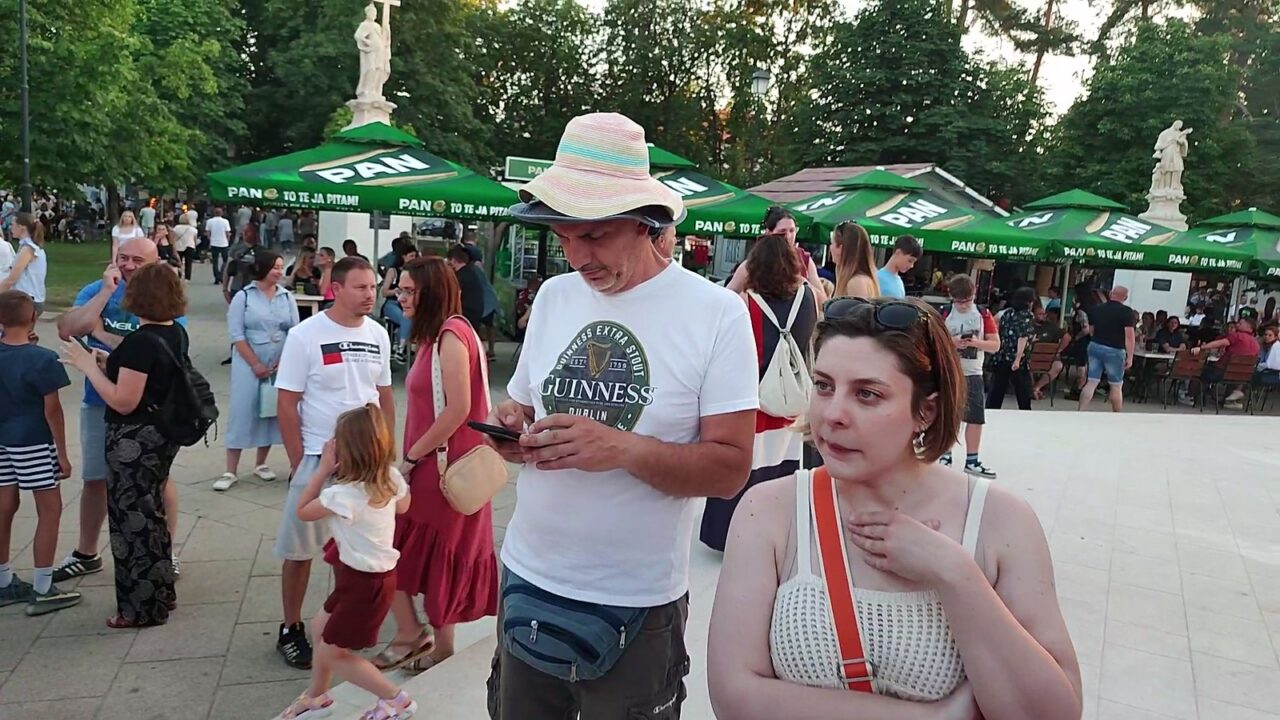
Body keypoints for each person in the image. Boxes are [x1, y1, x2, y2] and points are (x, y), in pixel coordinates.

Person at [485, 112, 758, 719]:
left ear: (644, 222)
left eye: (595, 236)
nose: (577, 257)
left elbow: (730, 470)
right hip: (528, 574)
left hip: (636, 599)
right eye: (563, 237)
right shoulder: (555, 297)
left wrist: (623, 448)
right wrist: (512, 430)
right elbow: (525, 406)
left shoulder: (716, 314)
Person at [706, 296, 1082, 719]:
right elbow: (734, 696)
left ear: (926, 411)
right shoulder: (770, 510)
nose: (833, 414)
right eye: (824, 386)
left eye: (867, 394)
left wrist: (956, 574)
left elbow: (1053, 713)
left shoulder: (1000, 521)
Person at [374, 256, 498, 673]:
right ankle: (428, 639)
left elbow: (458, 408)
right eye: (401, 289)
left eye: (410, 291)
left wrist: (410, 458)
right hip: (444, 467)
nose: (401, 297)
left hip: (440, 470)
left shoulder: (450, 335)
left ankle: (425, 638)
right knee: (427, 553)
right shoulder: (443, 334)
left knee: (395, 547)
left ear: (432, 293)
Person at [273, 256, 393, 669]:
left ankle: (342, 625)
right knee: (299, 548)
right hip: (319, 459)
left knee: (358, 549)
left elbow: (383, 396)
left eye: (373, 287)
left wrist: (387, 451)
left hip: (368, 464)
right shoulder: (305, 336)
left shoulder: (378, 334)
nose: (369, 295)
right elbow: (287, 403)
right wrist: (299, 461)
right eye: (360, 287)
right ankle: (291, 627)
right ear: (336, 289)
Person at [60, 264, 190, 628]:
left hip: (134, 442)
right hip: (160, 437)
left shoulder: (141, 341)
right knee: (152, 518)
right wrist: (110, 361)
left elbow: (122, 400)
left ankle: (138, 608)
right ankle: (162, 594)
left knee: (132, 525)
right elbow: (146, 371)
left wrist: (88, 366)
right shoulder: (174, 332)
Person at [276, 405, 418, 720]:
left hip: (364, 585)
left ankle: (396, 700)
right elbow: (404, 506)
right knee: (320, 628)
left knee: (334, 654)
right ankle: (317, 697)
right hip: (369, 578)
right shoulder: (390, 477)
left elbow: (302, 510)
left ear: (345, 451)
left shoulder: (343, 495)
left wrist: (322, 470)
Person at [701, 233, 816, 552]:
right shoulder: (807, 296)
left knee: (745, 471)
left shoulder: (744, 302)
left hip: (752, 401)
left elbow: (715, 315)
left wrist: (737, 281)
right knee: (783, 471)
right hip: (791, 402)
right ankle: (776, 534)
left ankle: (729, 534)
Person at [0, 291, 80, 616]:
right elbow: (52, 410)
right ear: (33, 317)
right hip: (33, 440)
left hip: (3, 439)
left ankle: (3, 580)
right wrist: (62, 453)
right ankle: (44, 586)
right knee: (50, 509)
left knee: (4, 506)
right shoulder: (43, 359)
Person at [216, 251, 299, 492]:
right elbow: (236, 334)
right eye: (275, 267)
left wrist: (285, 361)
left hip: (279, 359)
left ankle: (261, 462)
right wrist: (254, 363)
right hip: (248, 359)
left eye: (281, 267)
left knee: (272, 409)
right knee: (242, 409)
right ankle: (231, 469)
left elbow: (295, 331)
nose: (279, 272)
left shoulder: (286, 297)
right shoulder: (244, 296)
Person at [941, 274, 999, 478]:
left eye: (968, 300)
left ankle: (972, 459)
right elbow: (932, 341)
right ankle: (945, 455)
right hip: (950, 371)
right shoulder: (945, 313)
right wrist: (952, 342)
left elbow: (995, 345)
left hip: (973, 372)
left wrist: (976, 343)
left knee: (975, 418)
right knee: (949, 415)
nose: (964, 305)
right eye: (960, 302)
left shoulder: (983, 314)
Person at [728, 206, 828, 307]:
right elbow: (728, 294)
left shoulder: (805, 260)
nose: (788, 236)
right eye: (782, 232)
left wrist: (801, 282)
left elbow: (823, 303)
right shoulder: (754, 263)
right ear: (768, 233)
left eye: (792, 231)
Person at [1078, 286, 1136, 412]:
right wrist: (1130, 357)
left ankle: (1081, 411)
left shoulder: (1097, 309)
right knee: (1116, 385)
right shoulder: (1127, 312)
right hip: (1115, 350)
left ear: (1110, 294)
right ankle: (1116, 415)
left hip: (1095, 346)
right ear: (1125, 298)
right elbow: (1129, 337)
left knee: (1091, 382)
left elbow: (1091, 330)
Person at [1193, 315, 1260, 409]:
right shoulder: (1256, 343)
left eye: (1240, 323)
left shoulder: (1237, 336)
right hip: (1242, 376)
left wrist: (1202, 347)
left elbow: (1219, 343)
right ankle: (1228, 400)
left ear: (1249, 326)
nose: (1237, 324)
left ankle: (1192, 396)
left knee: (1199, 370)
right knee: (1230, 373)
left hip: (1221, 372)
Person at [987, 286, 1037, 410]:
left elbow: (996, 324)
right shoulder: (1026, 316)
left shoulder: (1007, 313)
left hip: (1002, 354)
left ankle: (991, 410)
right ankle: (1025, 412)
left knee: (997, 388)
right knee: (1022, 390)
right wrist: (1018, 359)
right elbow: (1022, 337)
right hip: (1017, 356)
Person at [0, 212, 48, 316]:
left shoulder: (28, 249)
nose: (10, 228)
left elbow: (11, 279)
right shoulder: (31, 247)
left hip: (26, 301)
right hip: (30, 299)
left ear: (22, 227)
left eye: (13, 224)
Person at [380, 246, 419, 363]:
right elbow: (384, 292)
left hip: (407, 304)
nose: (413, 258)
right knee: (406, 317)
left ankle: (401, 341)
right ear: (403, 257)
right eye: (411, 256)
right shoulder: (393, 271)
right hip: (392, 303)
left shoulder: (416, 273)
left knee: (411, 317)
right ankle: (401, 348)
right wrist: (396, 291)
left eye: (415, 256)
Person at [829, 221, 880, 299]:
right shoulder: (855, 279)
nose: (830, 247)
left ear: (841, 248)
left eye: (832, 243)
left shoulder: (856, 282)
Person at [1032, 308, 1073, 400]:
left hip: (1048, 359)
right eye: (1040, 314)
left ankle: (1036, 387)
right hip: (1031, 359)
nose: (1043, 316)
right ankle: (1032, 388)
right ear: (1033, 315)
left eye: (1044, 314)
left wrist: (1058, 351)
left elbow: (1067, 337)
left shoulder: (1051, 327)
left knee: (1058, 366)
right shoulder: (1028, 326)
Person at [447, 244, 487, 330]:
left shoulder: (459, 277)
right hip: (475, 315)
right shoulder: (471, 273)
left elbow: (454, 297)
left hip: (465, 316)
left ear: (453, 260)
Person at [223, 222, 261, 303]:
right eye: (243, 231)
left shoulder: (261, 250)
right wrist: (225, 289)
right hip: (237, 286)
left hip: (254, 288)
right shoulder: (236, 248)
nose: (244, 233)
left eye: (247, 231)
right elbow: (228, 268)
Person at [875, 235, 922, 299]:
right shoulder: (877, 278)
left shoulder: (899, 281)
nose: (911, 266)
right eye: (910, 261)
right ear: (898, 252)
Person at [205, 208, 233, 283]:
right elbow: (227, 233)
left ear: (214, 213)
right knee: (225, 261)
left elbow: (208, 233)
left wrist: (210, 239)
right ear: (222, 213)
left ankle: (217, 277)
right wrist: (228, 240)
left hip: (214, 243)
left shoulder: (209, 221)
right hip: (224, 243)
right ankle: (222, 274)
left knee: (215, 261)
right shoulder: (225, 221)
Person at [172, 213, 199, 281]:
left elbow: (173, 238)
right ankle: (187, 277)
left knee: (179, 262)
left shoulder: (176, 228)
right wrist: (195, 246)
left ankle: (179, 275)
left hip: (179, 246)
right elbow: (195, 239)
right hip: (190, 246)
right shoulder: (192, 229)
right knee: (188, 263)